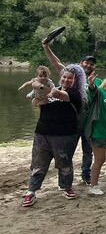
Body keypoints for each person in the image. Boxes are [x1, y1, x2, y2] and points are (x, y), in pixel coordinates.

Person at [22, 64, 86, 207]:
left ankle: (66, 187)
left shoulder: (76, 93)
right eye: (64, 77)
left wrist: (39, 85)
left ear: (75, 80)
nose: (66, 80)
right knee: (38, 164)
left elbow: (58, 95)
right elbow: (36, 102)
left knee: (64, 163)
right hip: (42, 132)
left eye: (70, 78)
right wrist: (37, 98)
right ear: (60, 77)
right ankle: (31, 191)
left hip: (64, 134)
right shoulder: (49, 89)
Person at [42, 41, 100, 185]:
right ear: (81, 63)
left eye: (92, 64)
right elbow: (56, 63)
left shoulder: (97, 80)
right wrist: (46, 47)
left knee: (88, 151)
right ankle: (65, 180)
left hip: (89, 122)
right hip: (72, 121)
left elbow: (101, 95)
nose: (88, 65)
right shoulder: (71, 77)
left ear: (94, 67)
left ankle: (86, 175)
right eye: (86, 62)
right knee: (68, 151)